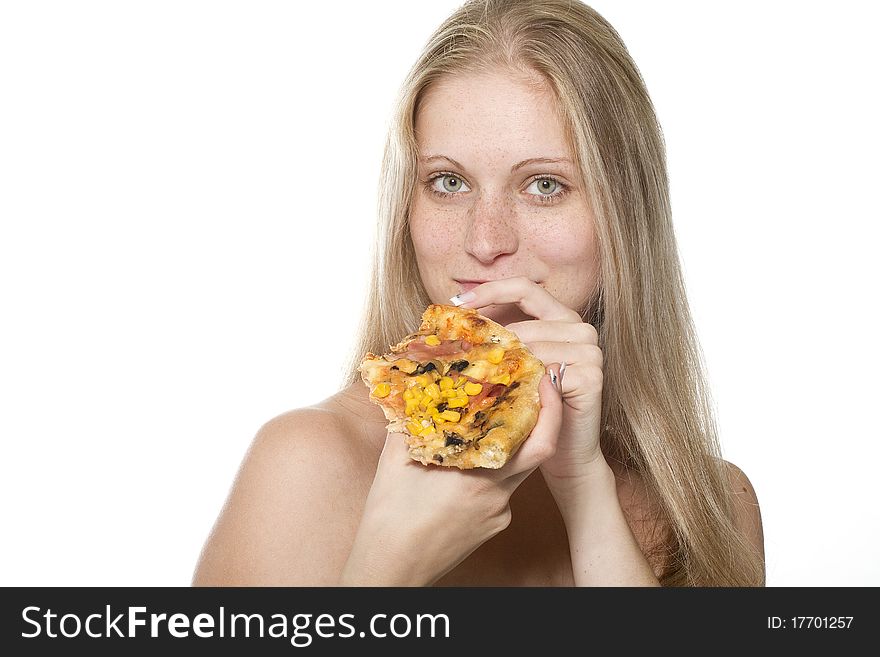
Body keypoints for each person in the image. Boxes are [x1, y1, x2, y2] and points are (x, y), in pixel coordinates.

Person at [192, 0, 764, 587]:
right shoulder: (306, 465)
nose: (486, 241)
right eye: (448, 182)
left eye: (544, 185)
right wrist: (387, 568)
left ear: (626, 214)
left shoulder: (711, 504)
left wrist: (588, 494)